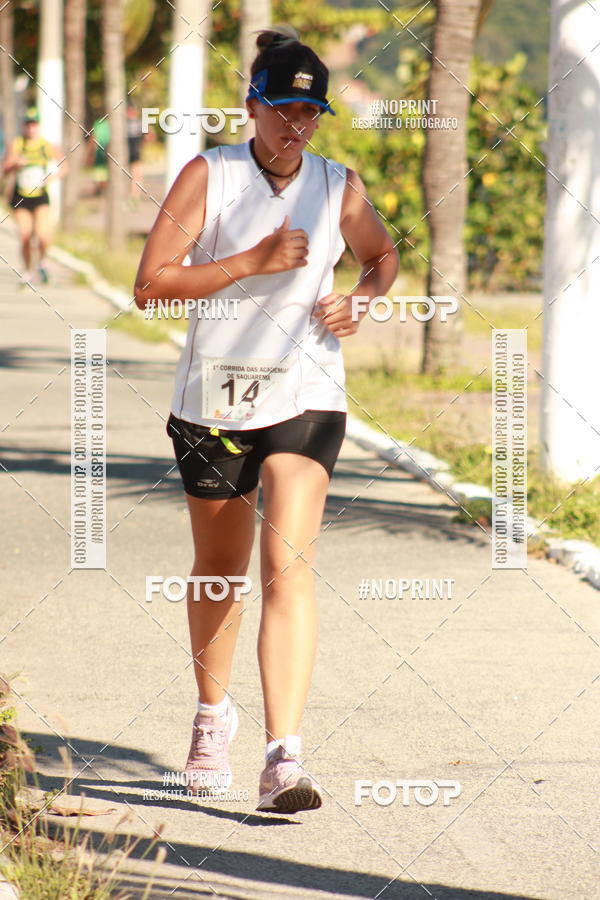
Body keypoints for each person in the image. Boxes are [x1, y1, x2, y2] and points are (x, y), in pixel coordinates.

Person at [134, 25, 399, 814]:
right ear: (252, 106)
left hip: (306, 395)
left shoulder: (335, 184)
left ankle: (284, 757)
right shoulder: (207, 175)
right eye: (284, 109)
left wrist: (361, 299)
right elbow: (151, 284)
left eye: (311, 112)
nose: (298, 126)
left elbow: (381, 256)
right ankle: (213, 717)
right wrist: (249, 262)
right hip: (213, 401)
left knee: (290, 563)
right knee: (222, 572)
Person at [2, 107, 66, 284]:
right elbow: (5, 170)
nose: (31, 128)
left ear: (38, 126)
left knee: (42, 235)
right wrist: (15, 164)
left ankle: (43, 262)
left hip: (40, 196)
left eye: (34, 124)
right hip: (21, 196)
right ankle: (28, 270)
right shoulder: (18, 144)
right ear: (24, 126)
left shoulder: (46, 145)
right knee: (25, 235)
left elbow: (64, 167)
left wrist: (50, 178)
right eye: (28, 125)